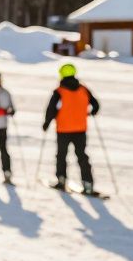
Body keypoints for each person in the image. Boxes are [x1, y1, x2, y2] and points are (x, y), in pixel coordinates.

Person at [43, 62, 100, 194]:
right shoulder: (83, 89)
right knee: (82, 156)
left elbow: (51, 109)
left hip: (63, 129)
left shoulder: (59, 91)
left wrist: (46, 123)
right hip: (80, 129)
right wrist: (91, 113)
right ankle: (88, 184)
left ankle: (61, 180)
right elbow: (95, 104)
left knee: (62, 155)